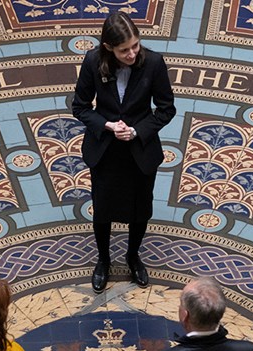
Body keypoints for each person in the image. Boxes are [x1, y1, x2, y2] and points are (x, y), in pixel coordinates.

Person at [72, 12, 176, 293]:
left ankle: (133, 256)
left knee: (141, 209)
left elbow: (166, 109)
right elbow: (80, 106)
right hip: (105, 151)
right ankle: (103, 260)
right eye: (124, 49)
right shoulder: (93, 61)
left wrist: (137, 131)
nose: (132, 53)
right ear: (108, 48)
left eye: (135, 46)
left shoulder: (153, 62)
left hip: (140, 150)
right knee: (103, 209)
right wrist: (106, 125)